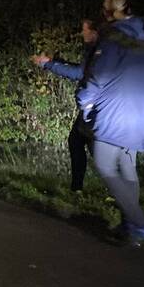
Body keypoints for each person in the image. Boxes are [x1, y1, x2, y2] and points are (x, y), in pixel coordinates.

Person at [76, 0, 144, 244]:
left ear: (108, 12)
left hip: (114, 113)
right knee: (127, 168)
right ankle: (130, 230)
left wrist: (85, 101)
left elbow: (98, 77)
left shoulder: (112, 38)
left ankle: (140, 223)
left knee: (104, 165)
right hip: (142, 112)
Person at [32, 18, 98, 192]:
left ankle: (85, 190)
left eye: (85, 30)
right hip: (92, 106)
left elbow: (79, 73)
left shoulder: (98, 50)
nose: (82, 33)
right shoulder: (96, 49)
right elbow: (82, 69)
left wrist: (48, 64)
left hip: (95, 107)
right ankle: (78, 189)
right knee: (79, 142)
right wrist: (56, 62)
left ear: (94, 32)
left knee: (92, 148)